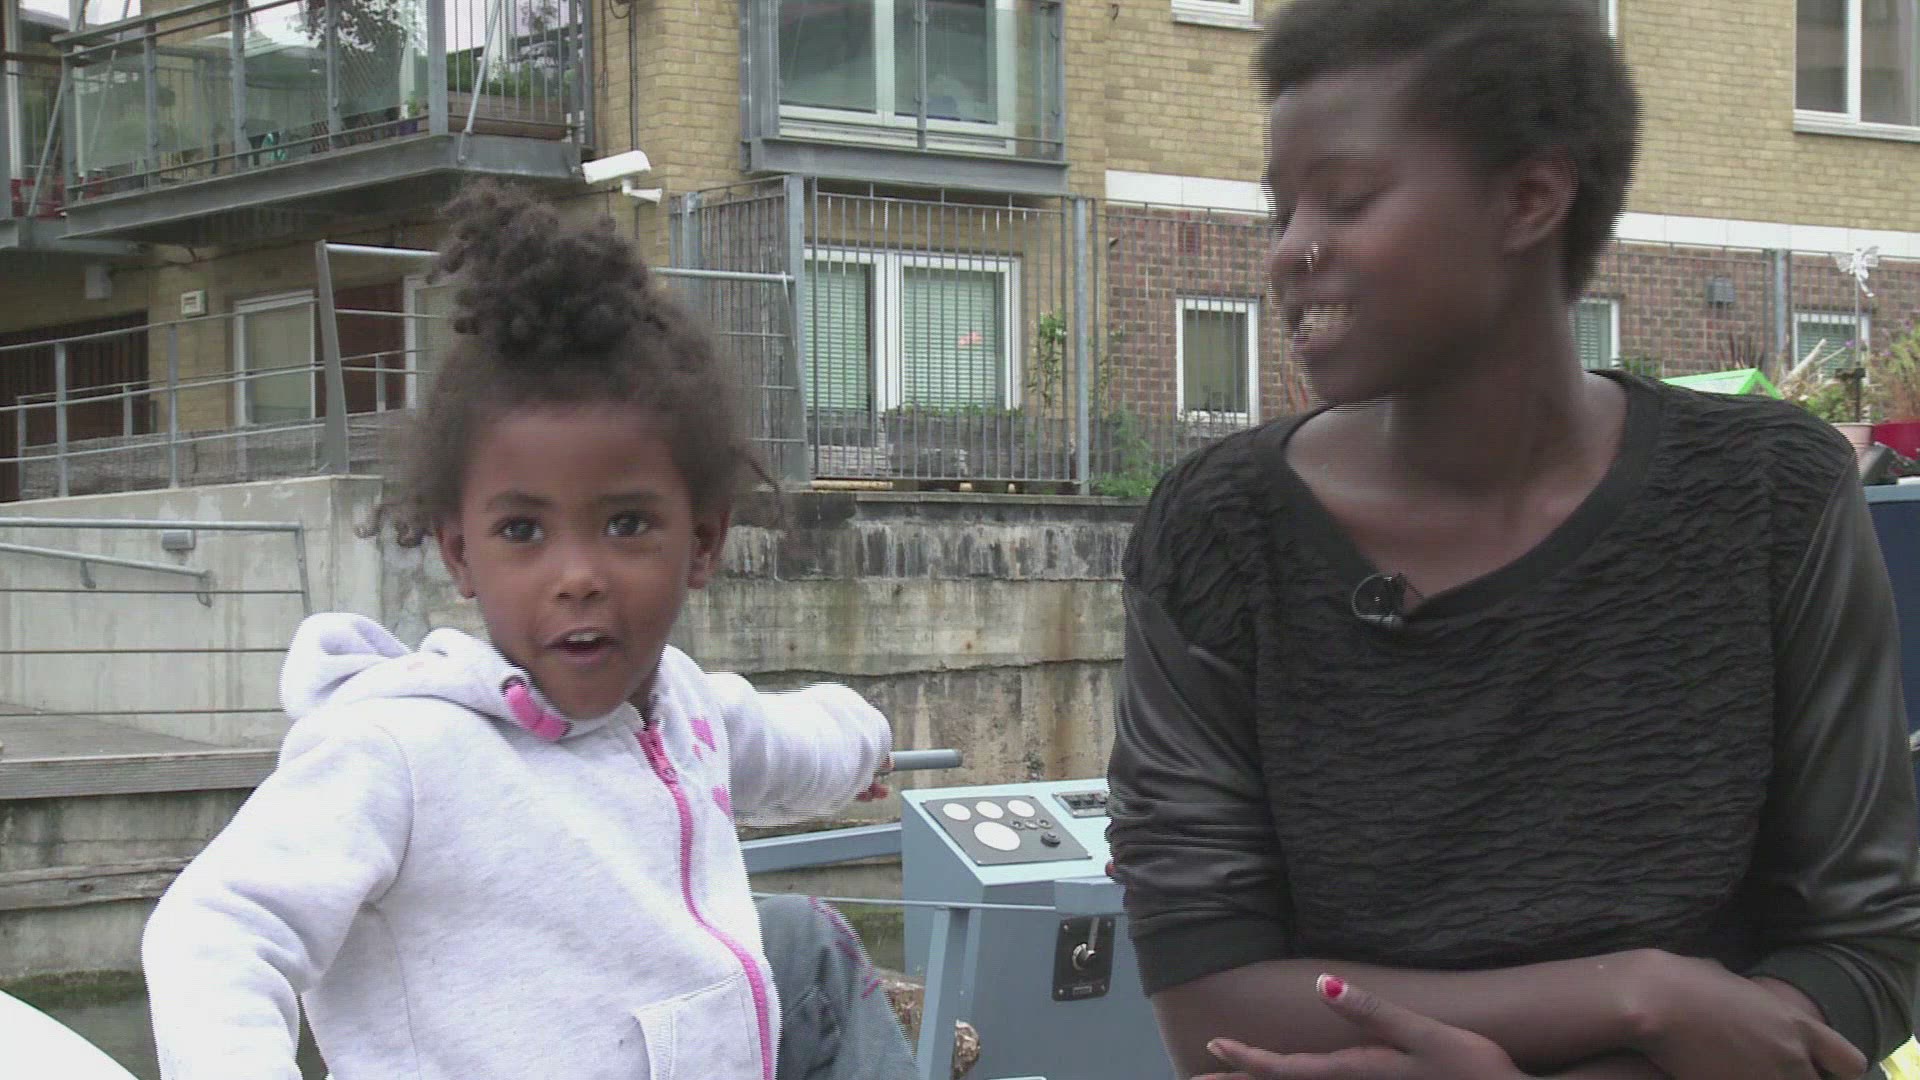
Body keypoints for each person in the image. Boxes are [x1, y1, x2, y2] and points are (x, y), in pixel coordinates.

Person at [1103, 1, 1920, 1078]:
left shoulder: (1770, 496)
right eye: (1283, 209)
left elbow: (1868, 947)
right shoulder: (1216, 532)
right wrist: (1642, 996)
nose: (1292, 251)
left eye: (1346, 199)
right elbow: (1210, 1002)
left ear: (1530, 198)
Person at [141, 181, 916, 1080]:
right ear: (460, 554)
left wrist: (869, 743)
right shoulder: (398, 753)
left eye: (625, 524)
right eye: (522, 531)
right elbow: (216, 932)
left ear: (703, 542)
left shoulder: (683, 712)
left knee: (811, 950)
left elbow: (789, 741)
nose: (577, 575)